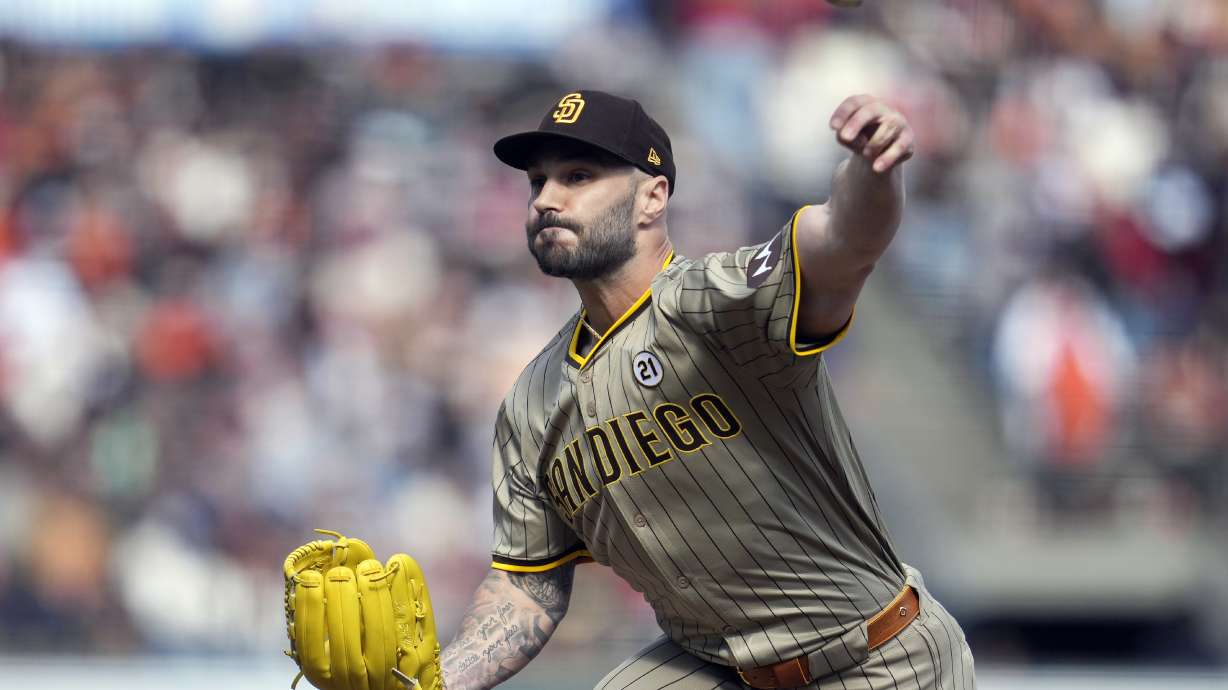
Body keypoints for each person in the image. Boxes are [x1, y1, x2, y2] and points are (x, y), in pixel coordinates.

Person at [438, 90, 976, 689]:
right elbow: (526, 587)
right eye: (537, 182)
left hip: (876, 655)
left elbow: (845, 241)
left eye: (579, 176)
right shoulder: (529, 405)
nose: (546, 199)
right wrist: (430, 685)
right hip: (716, 664)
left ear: (652, 196)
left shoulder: (718, 300)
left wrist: (873, 171)